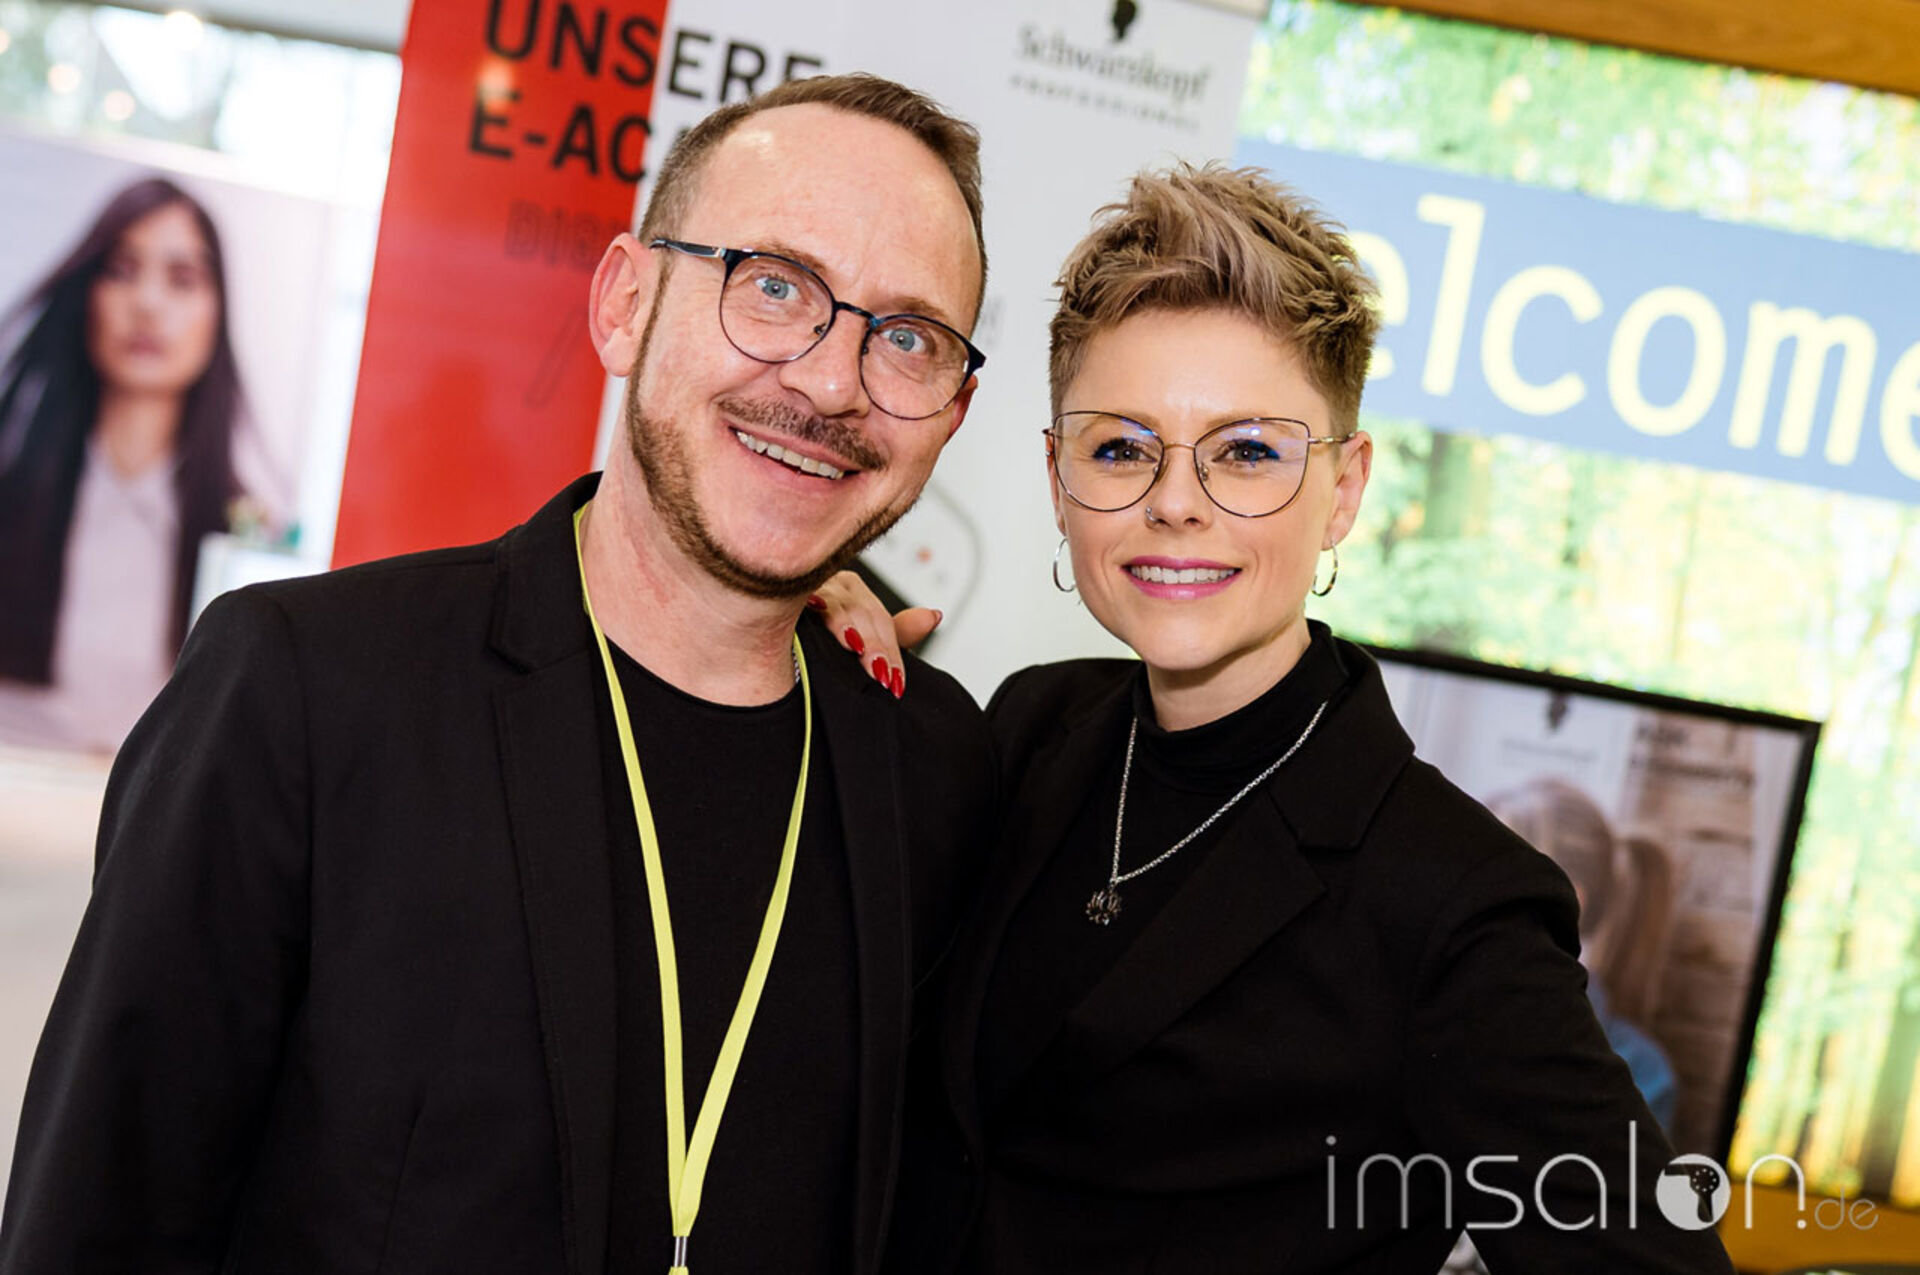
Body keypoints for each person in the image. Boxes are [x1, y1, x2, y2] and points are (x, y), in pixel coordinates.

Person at [0, 73, 994, 1275]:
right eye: (774, 286)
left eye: (908, 338)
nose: (832, 383)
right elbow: (100, 1220)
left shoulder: (934, 769)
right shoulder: (306, 692)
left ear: (952, 411)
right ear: (625, 304)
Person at [822, 163, 1736, 1272]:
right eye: (1121, 446)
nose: (1175, 501)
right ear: (1059, 478)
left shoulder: (1451, 904)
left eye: (1248, 452)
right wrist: (803, 657)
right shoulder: (1033, 726)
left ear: (1343, 489)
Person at [0, 177, 255, 754]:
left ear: (217, 312)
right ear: (87, 294)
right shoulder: (12, 501)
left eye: (182, 279)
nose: (148, 304)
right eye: (121, 271)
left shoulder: (245, 537)